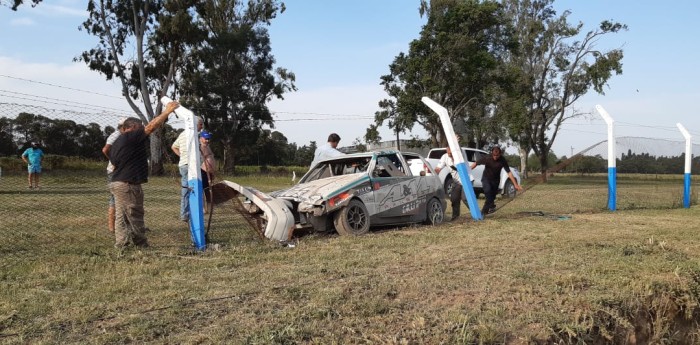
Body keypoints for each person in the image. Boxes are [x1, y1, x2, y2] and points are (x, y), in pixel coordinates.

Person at [109, 101, 180, 248]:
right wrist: (167, 112)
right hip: (128, 184)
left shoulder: (117, 142)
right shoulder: (131, 137)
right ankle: (141, 245)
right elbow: (151, 127)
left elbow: (114, 163)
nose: (142, 129)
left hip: (117, 182)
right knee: (135, 213)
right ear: (133, 127)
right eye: (140, 126)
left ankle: (122, 244)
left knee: (122, 217)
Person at [470, 146, 522, 216]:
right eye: (494, 155)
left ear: (500, 154)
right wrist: (468, 171)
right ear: (492, 153)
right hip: (486, 179)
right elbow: (476, 163)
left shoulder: (502, 160)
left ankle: (491, 206)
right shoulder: (487, 158)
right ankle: (483, 213)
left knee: (492, 196)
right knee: (488, 192)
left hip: (496, 181)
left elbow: (509, 172)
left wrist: (515, 184)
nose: (495, 157)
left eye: (497, 155)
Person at [171, 116, 204, 222]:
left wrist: (181, 156)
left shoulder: (182, 134)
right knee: (194, 188)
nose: (202, 126)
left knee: (186, 189)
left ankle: (185, 213)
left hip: (183, 165)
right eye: (200, 124)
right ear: (195, 125)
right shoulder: (193, 135)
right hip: (191, 165)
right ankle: (190, 213)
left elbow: (173, 146)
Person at [102, 117, 127, 233]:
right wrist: (114, 162)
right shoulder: (116, 135)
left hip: (122, 171)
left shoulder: (124, 136)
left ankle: (124, 225)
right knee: (114, 199)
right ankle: (112, 227)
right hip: (114, 171)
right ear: (123, 127)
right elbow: (105, 150)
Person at [435, 146, 470, 221]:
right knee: (454, 199)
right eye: (449, 152)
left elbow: (458, 148)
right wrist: (434, 173)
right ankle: (455, 217)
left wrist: (456, 142)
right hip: (456, 181)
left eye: (452, 152)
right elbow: (438, 168)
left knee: (465, 198)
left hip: (466, 180)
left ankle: (476, 213)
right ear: (446, 150)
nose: (450, 154)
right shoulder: (445, 157)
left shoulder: (461, 154)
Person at [199, 130, 217, 212]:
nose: (207, 140)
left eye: (208, 139)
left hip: (209, 172)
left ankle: (209, 207)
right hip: (203, 171)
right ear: (201, 138)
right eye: (206, 139)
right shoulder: (199, 147)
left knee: (208, 190)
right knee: (202, 190)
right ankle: (202, 208)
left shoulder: (207, 146)